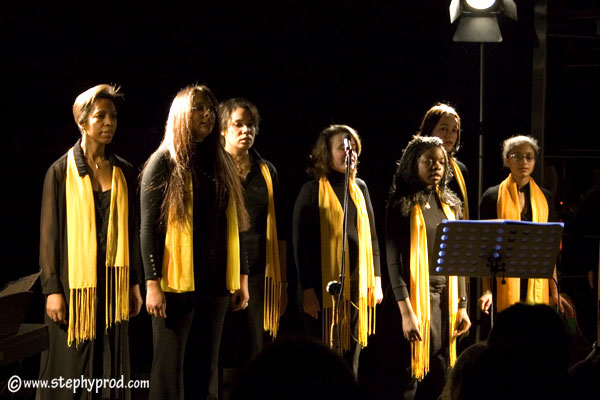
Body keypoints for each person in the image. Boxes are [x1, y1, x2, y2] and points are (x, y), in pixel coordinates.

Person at [140, 85, 250, 400]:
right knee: (170, 368)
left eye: (210, 108)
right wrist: (151, 284)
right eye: (199, 108)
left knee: (206, 365)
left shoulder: (221, 161)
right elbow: (148, 228)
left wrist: (241, 277)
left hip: (214, 282)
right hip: (175, 285)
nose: (207, 114)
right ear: (180, 114)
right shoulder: (163, 162)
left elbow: (236, 225)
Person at [39, 84, 143, 399]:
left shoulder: (123, 171)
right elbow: (49, 236)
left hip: (112, 285)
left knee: (110, 362)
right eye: (100, 116)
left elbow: (133, 230)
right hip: (74, 288)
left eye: (113, 116)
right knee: (73, 365)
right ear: (82, 122)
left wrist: (135, 284)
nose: (109, 122)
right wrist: (53, 289)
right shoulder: (60, 172)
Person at [382, 135, 470, 400]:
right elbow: (393, 261)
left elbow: (459, 258)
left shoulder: (450, 205)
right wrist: (406, 313)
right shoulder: (401, 204)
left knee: (442, 372)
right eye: (428, 161)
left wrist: (462, 305)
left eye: (440, 162)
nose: (436, 166)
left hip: (446, 297)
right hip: (414, 298)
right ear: (413, 163)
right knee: (410, 376)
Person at [292, 124, 383, 376]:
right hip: (321, 290)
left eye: (353, 147)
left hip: (356, 288)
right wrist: (308, 290)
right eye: (343, 147)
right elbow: (301, 245)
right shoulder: (310, 191)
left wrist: (376, 279)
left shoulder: (360, 188)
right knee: (323, 358)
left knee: (351, 358)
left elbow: (373, 239)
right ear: (326, 153)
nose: (349, 152)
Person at [218, 98, 287, 370]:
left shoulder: (266, 171)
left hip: (261, 272)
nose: (246, 130)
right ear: (223, 129)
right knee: (220, 349)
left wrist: (282, 284)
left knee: (261, 350)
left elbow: (278, 229)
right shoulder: (213, 168)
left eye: (251, 125)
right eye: (238, 124)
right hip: (221, 271)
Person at [478, 135, 572, 316]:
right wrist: (487, 290)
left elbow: (548, 249)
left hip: (535, 277)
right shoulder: (492, 196)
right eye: (517, 156)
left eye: (529, 157)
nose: (524, 162)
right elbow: (486, 248)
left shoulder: (545, 198)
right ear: (507, 160)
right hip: (504, 278)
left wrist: (554, 291)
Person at [416, 103, 469, 219]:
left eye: (454, 130)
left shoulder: (460, 169)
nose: (449, 134)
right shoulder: (416, 165)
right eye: (444, 129)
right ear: (429, 130)